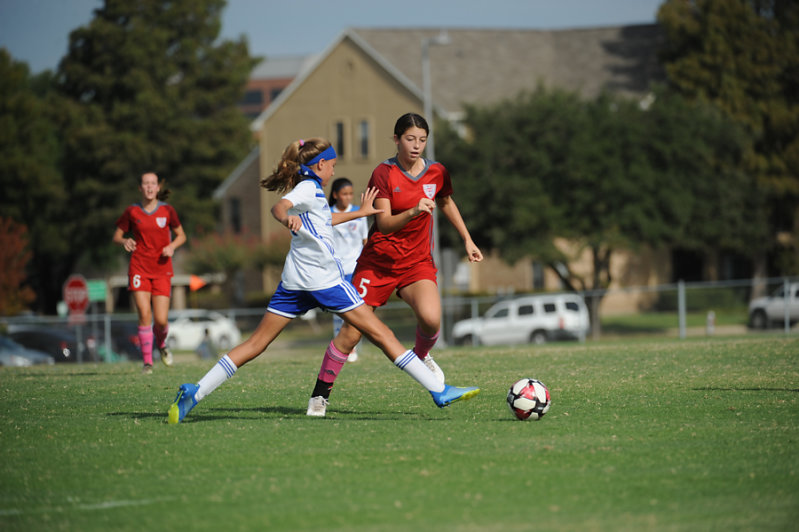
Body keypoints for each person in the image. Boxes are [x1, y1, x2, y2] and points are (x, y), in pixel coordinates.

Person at [168, 138, 479, 424]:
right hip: (324, 281)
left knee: (256, 343)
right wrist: (286, 217)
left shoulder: (313, 190)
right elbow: (279, 206)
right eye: (332, 165)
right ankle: (438, 390)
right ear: (320, 165)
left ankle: (195, 393)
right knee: (382, 333)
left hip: (294, 281)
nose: (334, 170)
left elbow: (325, 219)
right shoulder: (307, 187)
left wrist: (361, 213)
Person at [307, 113, 483, 416]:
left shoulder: (437, 171)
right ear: (396, 139)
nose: (416, 145)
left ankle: (421, 356)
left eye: (422, 140)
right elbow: (385, 224)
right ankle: (319, 397)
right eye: (410, 139)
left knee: (431, 319)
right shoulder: (384, 173)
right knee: (351, 333)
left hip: (417, 262)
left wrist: (467, 239)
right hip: (378, 264)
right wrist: (414, 210)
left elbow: (446, 201)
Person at [113, 172, 186, 374]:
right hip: (139, 268)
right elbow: (117, 236)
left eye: (153, 183)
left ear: (158, 188)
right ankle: (147, 363)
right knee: (144, 313)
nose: (149, 187)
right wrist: (125, 240)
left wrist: (171, 246)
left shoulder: (167, 211)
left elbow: (181, 236)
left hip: (162, 269)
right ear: (140, 188)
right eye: (145, 183)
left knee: (161, 321)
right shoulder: (132, 211)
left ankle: (161, 344)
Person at [328, 177, 369, 362]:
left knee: (357, 309)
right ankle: (341, 348)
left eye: (350, 194)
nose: (348, 197)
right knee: (340, 310)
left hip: (356, 268)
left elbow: (365, 241)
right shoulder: (328, 214)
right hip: (336, 270)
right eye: (344, 194)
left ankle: (352, 346)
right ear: (336, 195)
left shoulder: (359, 213)